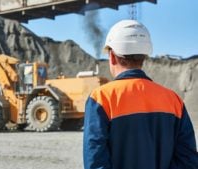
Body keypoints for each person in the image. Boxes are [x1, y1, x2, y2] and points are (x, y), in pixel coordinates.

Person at [83, 20, 198, 169]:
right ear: (143, 57)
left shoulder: (101, 98)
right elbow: (188, 160)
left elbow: (95, 162)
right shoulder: (173, 100)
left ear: (112, 56)